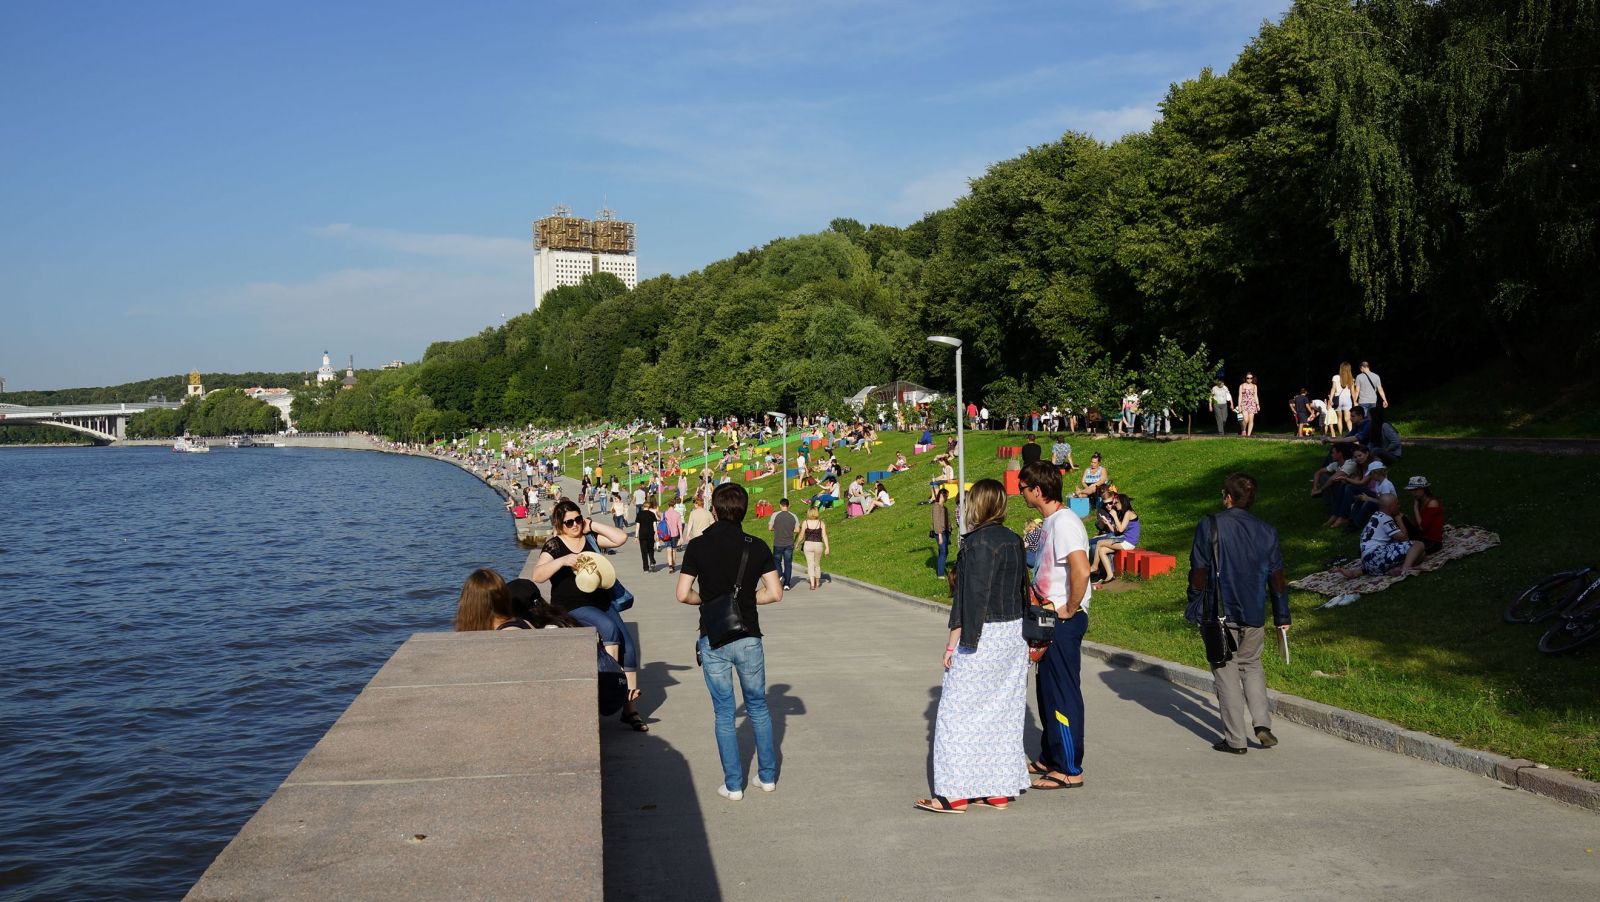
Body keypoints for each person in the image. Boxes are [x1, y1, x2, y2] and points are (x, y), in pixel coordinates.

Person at [915, 480, 1032, 813]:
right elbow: (1021, 588)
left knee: (956, 714)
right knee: (1001, 712)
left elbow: (970, 600)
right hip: (1012, 634)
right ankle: (996, 790)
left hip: (982, 635)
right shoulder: (1013, 541)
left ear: (976, 505)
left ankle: (955, 794)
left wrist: (953, 644)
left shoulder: (974, 544)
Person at [676, 483, 784, 801]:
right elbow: (775, 593)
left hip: (714, 638)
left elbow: (683, 594)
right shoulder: (758, 546)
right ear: (745, 510)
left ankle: (733, 785)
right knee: (758, 707)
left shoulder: (697, 546)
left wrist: (709, 602)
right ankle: (766, 778)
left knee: (725, 712)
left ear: (714, 510)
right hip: (749, 635)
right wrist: (745, 602)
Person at [1186, 473, 1292, 754]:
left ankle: (1235, 739)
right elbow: (1277, 577)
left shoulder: (1210, 526)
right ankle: (1262, 723)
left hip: (1220, 613)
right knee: (1252, 665)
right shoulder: (1267, 531)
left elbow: (1199, 570)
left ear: (1228, 497)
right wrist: (1282, 616)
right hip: (1255, 611)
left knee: (1225, 671)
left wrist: (1193, 602)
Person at [524, 500, 647, 730]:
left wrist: (592, 525)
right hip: (571, 606)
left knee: (629, 649)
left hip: (602, 602)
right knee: (609, 630)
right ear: (560, 524)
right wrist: (563, 561)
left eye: (577, 519)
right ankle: (612, 687)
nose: (574, 525)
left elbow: (620, 538)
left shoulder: (590, 539)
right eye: (569, 522)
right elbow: (537, 575)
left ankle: (630, 710)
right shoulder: (554, 545)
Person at [1017, 460, 1091, 790]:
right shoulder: (1049, 523)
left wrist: (1071, 608)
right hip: (1046, 618)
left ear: (1038, 490)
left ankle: (1069, 767)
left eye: (1023, 487)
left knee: (1062, 692)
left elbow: (1081, 569)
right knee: (1047, 690)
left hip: (1063, 619)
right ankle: (1050, 755)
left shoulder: (1065, 523)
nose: (1019, 492)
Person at [1339, 493, 1425, 578]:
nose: (1399, 506)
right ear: (1391, 507)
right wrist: (1399, 519)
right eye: (1397, 504)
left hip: (1367, 563)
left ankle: (1359, 572)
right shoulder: (1386, 519)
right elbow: (1404, 538)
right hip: (1376, 556)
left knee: (1419, 554)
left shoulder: (1376, 516)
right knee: (1418, 545)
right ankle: (1405, 569)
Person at [1089, 492, 1140, 586]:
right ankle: (1110, 575)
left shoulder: (1129, 513)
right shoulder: (1124, 513)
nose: (1115, 505)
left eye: (1116, 503)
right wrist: (1108, 523)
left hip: (1128, 542)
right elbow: (1116, 531)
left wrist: (1115, 516)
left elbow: (1120, 529)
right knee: (1102, 550)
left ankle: (1094, 567)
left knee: (1100, 542)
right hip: (1124, 539)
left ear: (1122, 502)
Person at [1404, 475, 1444, 555]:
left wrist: (1415, 508)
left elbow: (1422, 527)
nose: (1413, 493)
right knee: (1400, 517)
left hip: (1432, 541)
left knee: (1407, 553)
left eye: (1416, 490)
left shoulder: (1432, 503)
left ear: (1424, 489)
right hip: (1422, 537)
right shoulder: (1420, 502)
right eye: (1411, 490)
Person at [767, 497, 799, 590]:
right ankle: (787, 584)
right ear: (788, 506)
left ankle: (780, 575)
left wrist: (777, 529)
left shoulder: (775, 515)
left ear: (780, 505)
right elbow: (797, 530)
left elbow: (770, 528)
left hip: (778, 543)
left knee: (776, 561)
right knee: (788, 563)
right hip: (789, 543)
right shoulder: (793, 516)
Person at [801, 506, 830, 590]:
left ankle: (812, 584)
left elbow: (801, 535)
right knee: (817, 564)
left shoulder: (805, 522)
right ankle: (817, 582)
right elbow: (824, 535)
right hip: (818, 544)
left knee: (810, 564)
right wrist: (827, 547)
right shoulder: (821, 523)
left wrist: (797, 543)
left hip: (808, 544)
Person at [931, 487, 952, 578]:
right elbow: (937, 521)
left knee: (944, 552)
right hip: (940, 533)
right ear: (942, 496)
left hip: (946, 532)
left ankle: (941, 567)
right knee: (943, 552)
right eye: (946, 496)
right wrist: (939, 535)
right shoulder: (936, 507)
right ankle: (940, 574)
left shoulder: (944, 508)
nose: (947, 498)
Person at [635, 498, 659, 572]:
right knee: (650, 549)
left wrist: (636, 536)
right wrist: (656, 534)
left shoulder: (639, 514)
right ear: (649, 507)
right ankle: (652, 560)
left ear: (643, 506)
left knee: (643, 551)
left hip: (642, 535)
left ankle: (646, 568)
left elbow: (637, 526)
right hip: (650, 534)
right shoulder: (652, 514)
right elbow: (655, 525)